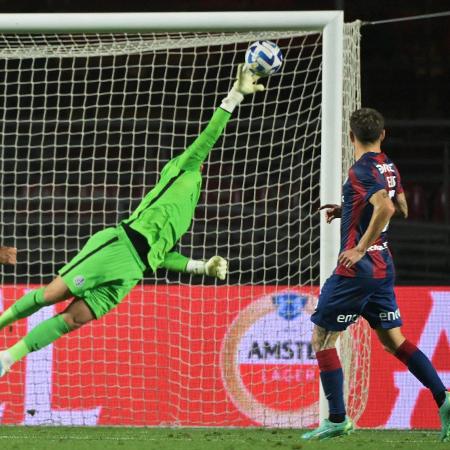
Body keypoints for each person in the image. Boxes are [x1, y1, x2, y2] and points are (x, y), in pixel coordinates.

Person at [0, 64, 264, 377]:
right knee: (52, 294)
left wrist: (200, 266)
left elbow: (161, 255)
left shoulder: (190, 207)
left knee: (76, 318)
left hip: (135, 269)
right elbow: (208, 137)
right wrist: (235, 96)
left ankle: (7, 358)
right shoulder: (184, 168)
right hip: (120, 246)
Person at [301, 108, 450, 441]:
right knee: (392, 341)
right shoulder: (388, 165)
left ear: (351, 137)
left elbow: (387, 207)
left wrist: (359, 248)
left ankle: (337, 419)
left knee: (323, 339)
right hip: (383, 268)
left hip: (357, 271)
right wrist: (349, 208)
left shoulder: (361, 169)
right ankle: (443, 397)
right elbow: (403, 207)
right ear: (383, 135)